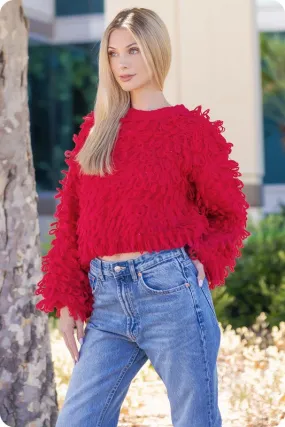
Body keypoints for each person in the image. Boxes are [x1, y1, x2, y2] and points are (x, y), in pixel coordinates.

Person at [34, 7, 250, 427]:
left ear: (156, 50)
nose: (123, 63)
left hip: (171, 294)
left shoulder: (188, 130)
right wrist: (68, 298)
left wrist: (206, 257)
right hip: (106, 300)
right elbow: (72, 220)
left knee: (195, 421)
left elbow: (229, 211)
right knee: (78, 419)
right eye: (114, 54)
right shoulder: (97, 130)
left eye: (133, 50)